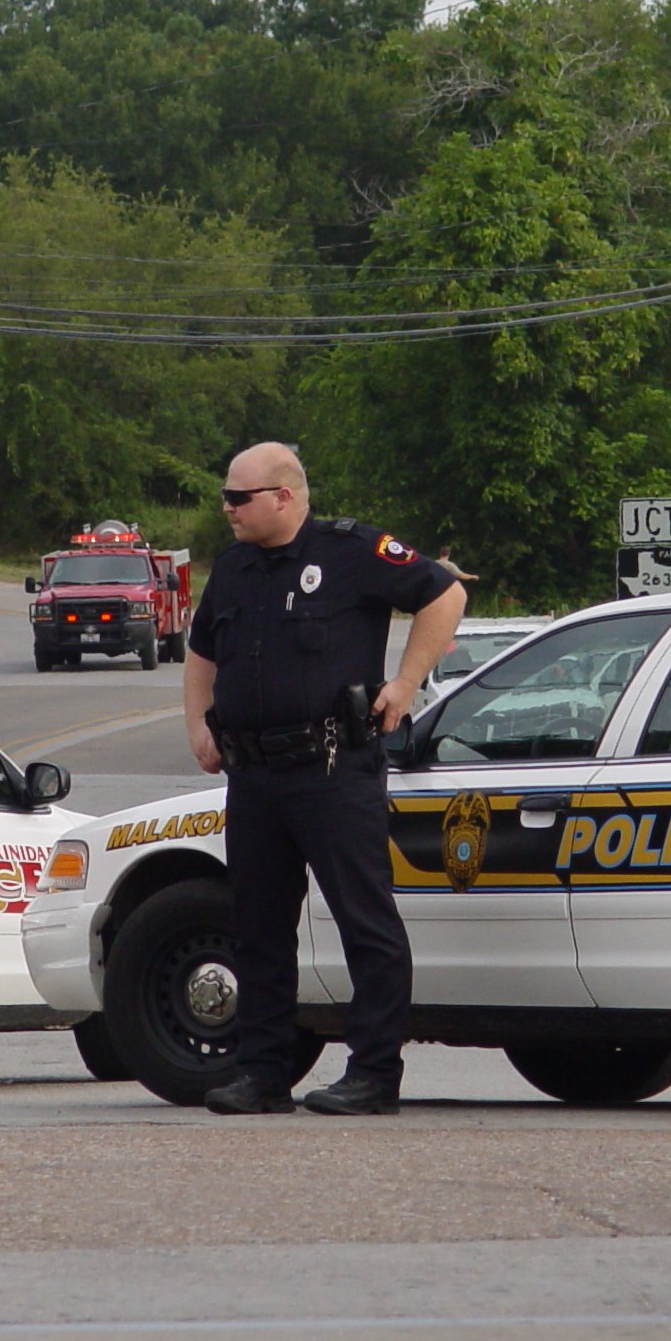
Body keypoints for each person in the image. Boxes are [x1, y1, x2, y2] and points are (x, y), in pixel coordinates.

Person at [184, 442, 466, 1116]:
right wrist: (198, 725)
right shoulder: (235, 568)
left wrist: (404, 683)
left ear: (283, 496)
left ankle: (373, 1072)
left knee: (363, 921)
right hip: (254, 774)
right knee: (258, 926)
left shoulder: (350, 552)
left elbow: (445, 593)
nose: (226, 508)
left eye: (238, 497)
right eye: (225, 496)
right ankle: (262, 1072)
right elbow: (201, 651)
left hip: (333, 768)